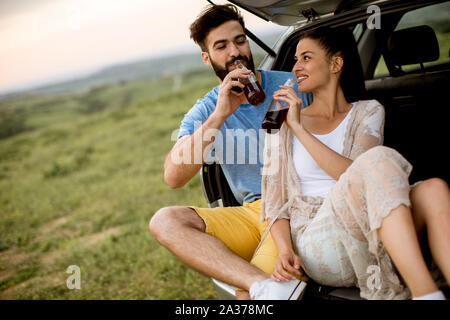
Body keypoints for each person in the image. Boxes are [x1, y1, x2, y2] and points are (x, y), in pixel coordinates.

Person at [248, 26, 450, 300]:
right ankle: (427, 295)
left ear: (336, 63)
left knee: (434, 189)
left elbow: (354, 172)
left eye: (306, 58)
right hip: (319, 240)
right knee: (375, 160)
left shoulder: (369, 110)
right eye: (295, 59)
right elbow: (274, 201)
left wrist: (300, 130)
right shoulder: (282, 125)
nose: (295, 67)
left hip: (370, 220)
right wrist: (284, 250)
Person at [149, 4, 312, 300]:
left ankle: (258, 288)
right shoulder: (208, 109)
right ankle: (264, 286)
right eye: (221, 46)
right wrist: (220, 116)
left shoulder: (294, 83)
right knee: (164, 220)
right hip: (252, 213)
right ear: (206, 57)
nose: (235, 52)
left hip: (296, 204)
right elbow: (173, 177)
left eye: (239, 41)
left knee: (244, 298)